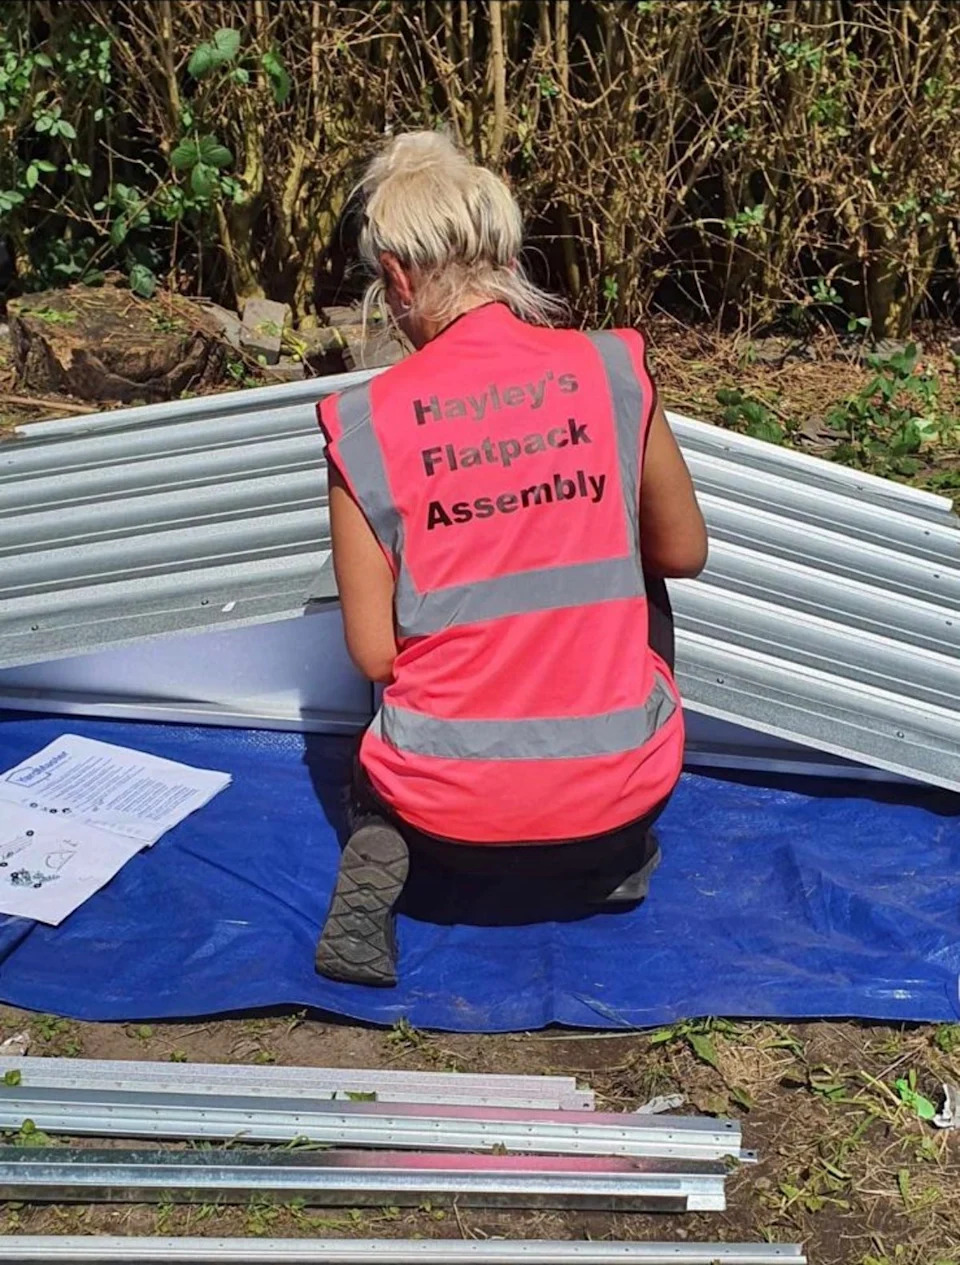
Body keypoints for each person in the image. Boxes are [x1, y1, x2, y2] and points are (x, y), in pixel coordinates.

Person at [314, 132, 708, 987]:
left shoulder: (363, 423)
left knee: (399, 652)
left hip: (443, 815)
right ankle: (617, 851)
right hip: (613, 798)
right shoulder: (611, 370)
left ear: (400, 275)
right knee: (643, 573)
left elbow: (374, 652)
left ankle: (381, 836)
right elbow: (684, 550)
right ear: (506, 253)